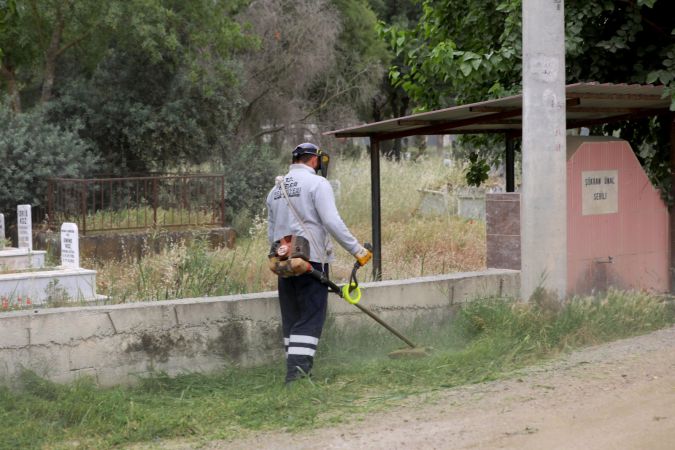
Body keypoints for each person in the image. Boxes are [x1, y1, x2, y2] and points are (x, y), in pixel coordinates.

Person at [266, 142, 372, 384]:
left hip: (284, 262)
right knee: (311, 316)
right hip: (311, 260)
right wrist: (357, 250)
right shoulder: (317, 183)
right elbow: (331, 221)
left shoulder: (275, 189)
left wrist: (276, 259)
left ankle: (296, 372)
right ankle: (297, 377)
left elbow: (271, 232)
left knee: (292, 317)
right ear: (314, 160)